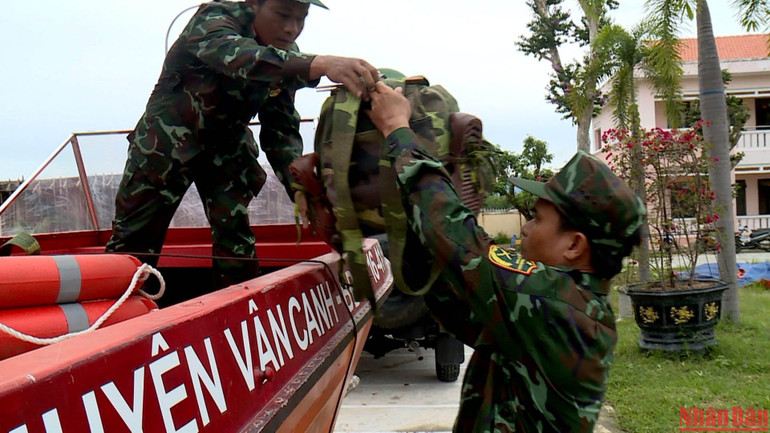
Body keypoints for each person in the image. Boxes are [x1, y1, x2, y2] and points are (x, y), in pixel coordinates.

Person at [365, 81, 645, 432]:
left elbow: (464, 247)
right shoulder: (553, 309)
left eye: (539, 218)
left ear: (574, 246)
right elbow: (454, 305)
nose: (526, 228)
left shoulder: (558, 305)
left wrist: (398, 130)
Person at [105, 0, 379, 289]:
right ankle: (117, 315)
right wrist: (320, 64)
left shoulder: (286, 59)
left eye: (301, 19)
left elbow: (280, 130)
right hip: (166, 146)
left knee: (236, 240)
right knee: (134, 245)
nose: (292, 28)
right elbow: (241, 58)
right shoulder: (214, 20)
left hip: (226, 149)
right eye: (283, 15)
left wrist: (299, 187)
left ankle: (240, 305)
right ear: (253, 5)